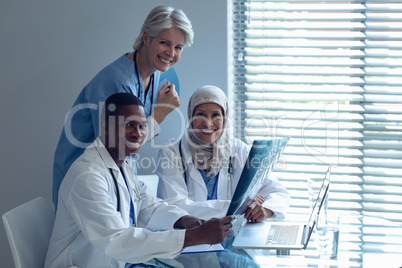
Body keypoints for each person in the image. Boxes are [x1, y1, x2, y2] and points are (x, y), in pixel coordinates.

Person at [45, 93, 235, 268]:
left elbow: (147, 206)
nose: (137, 133)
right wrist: (192, 237)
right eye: (128, 124)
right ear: (105, 126)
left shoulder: (122, 165)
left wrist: (185, 221)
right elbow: (116, 240)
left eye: (142, 126)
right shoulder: (87, 176)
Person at [52, 5, 194, 207]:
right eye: (164, 43)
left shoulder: (157, 74)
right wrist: (160, 113)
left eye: (178, 47)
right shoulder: (118, 83)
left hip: (115, 173)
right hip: (86, 181)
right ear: (146, 38)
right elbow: (118, 145)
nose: (171, 53)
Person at [156, 85, 290, 222]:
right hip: (190, 239)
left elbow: (278, 192)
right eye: (200, 114)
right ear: (190, 116)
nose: (208, 123)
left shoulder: (238, 150)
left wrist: (266, 210)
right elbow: (174, 206)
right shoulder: (172, 151)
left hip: (231, 239)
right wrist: (238, 204)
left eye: (215, 115)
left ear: (225, 118)